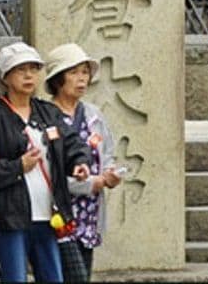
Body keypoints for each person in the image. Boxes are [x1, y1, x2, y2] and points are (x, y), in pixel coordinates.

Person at [0, 41, 85, 282]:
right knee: (14, 278)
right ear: (5, 77)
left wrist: (79, 162)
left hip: (49, 214)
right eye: (20, 69)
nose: (29, 75)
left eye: (34, 69)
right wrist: (18, 166)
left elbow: (72, 144)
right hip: (10, 217)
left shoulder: (48, 112)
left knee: (53, 277)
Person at [43, 43, 124, 283]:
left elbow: (107, 153)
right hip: (59, 216)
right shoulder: (46, 116)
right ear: (58, 79)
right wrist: (91, 184)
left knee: (82, 275)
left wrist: (110, 174)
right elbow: (48, 173)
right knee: (74, 276)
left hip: (89, 217)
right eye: (74, 72)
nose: (82, 79)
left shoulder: (93, 114)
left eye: (85, 72)